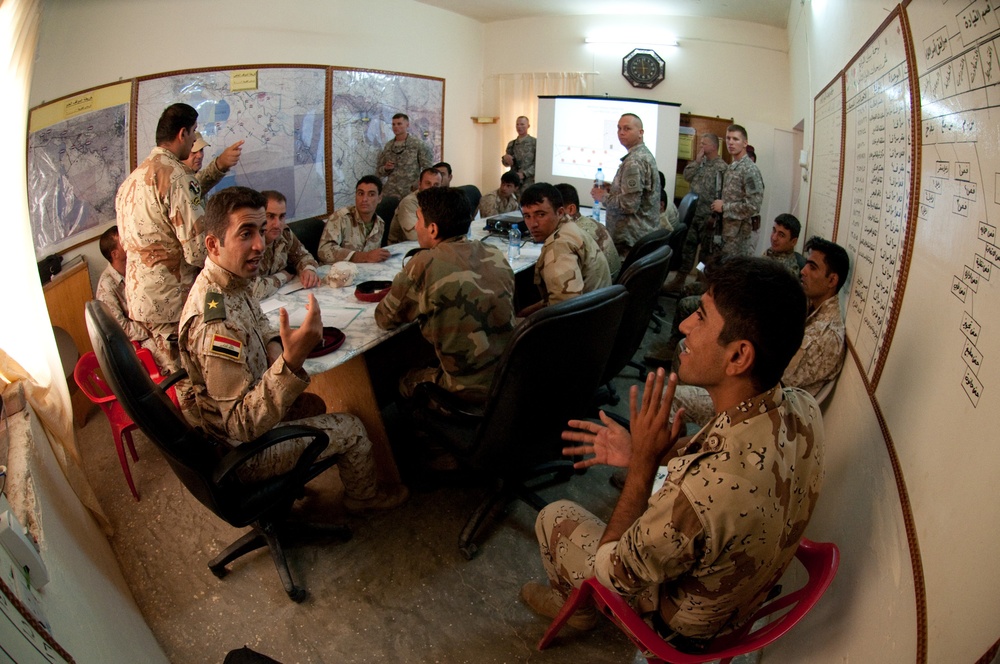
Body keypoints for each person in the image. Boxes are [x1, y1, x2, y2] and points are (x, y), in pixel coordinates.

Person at [522, 256, 823, 647]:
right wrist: (641, 452)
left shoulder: (700, 497)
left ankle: (578, 613)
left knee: (554, 516)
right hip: (744, 596)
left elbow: (610, 571)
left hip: (683, 630)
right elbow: (712, 456)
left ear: (738, 356)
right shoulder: (801, 407)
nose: (683, 324)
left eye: (700, 316)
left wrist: (643, 465)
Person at [177, 186, 407, 510]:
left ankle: (292, 479)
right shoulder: (215, 322)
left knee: (312, 402)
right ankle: (363, 498)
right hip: (242, 451)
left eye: (261, 230)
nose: (260, 244)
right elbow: (241, 425)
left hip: (251, 406)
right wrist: (292, 358)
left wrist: (276, 344)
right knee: (353, 427)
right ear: (214, 244)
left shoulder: (228, 284)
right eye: (246, 233)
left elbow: (260, 324)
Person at [673, 237, 849, 427]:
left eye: (813, 267)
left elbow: (765, 379)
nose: (803, 271)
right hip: (749, 383)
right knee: (685, 348)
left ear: (832, 280)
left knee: (669, 398)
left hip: (757, 408)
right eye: (806, 264)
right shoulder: (810, 305)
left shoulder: (826, 337)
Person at [375, 187, 516, 403]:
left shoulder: (423, 264)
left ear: (432, 229)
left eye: (418, 220)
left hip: (464, 390)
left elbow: (385, 319)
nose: (414, 226)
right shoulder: (493, 253)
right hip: (508, 377)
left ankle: (415, 431)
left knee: (399, 378)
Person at [115, 103, 205, 372]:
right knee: (190, 376)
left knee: (174, 370)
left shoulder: (131, 181)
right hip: (173, 299)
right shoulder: (176, 176)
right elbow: (198, 250)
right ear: (182, 134)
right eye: (194, 132)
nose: (193, 140)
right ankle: (195, 416)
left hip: (143, 299)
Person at [519, 183, 611, 317]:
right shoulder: (570, 227)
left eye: (541, 214)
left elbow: (565, 314)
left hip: (586, 326)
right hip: (600, 314)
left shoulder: (559, 246)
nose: (533, 224)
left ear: (560, 212)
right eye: (527, 216)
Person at [591, 113, 659, 258]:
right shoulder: (643, 155)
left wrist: (603, 196)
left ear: (640, 132)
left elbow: (629, 205)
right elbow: (638, 192)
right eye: (619, 128)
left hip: (629, 240)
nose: (621, 132)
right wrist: (612, 188)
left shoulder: (634, 161)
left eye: (627, 128)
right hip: (638, 234)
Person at [668, 133, 729, 291]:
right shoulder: (700, 164)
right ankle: (680, 279)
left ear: (714, 147)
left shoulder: (722, 168)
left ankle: (701, 281)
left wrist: (716, 217)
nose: (701, 146)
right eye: (701, 143)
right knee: (688, 248)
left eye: (704, 144)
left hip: (710, 218)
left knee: (706, 254)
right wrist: (696, 161)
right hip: (694, 215)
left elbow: (724, 194)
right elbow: (687, 176)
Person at [249, 190, 320, 298]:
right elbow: (255, 290)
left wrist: (308, 269)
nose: (277, 224)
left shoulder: (284, 234)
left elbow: (303, 256)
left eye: (281, 216)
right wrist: (285, 275)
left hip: (280, 298)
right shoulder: (249, 243)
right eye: (270, 216)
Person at [710, 125, 764, 257]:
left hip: (739, 237)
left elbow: (753, 205)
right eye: (728, 138)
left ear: (745, 143)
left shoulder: (749, 170)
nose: (731, 142)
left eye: (736, 139)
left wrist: (725, 207)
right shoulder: (733, 166)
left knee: (733, 274)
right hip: (727, 232)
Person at [95, 226, 152, 347]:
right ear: (115, 254)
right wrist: (153, 328)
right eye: (124, 241)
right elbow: (123, 330)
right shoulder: (107, 286)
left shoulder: (136, 266)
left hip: (153, 324)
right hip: (139, 342)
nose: (129, 242)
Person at [554, 182, 621, 280]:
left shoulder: (571, 235)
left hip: (598, 291)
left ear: (571, 209)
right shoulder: (593, 222)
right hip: (613, 288)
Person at [317, 175, 390, 263]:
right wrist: (365, 256)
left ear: (379, 198)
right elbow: (324, 251)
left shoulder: (380, 223)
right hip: (337, 273)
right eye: (360, 193)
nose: (364, 199)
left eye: (371, 194)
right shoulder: (340, 217)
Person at [376, 113, 434, 200]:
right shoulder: (388, 146)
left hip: (410, 193)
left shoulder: (418, 144)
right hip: (390, 194)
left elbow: (428, 170)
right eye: (393, 124)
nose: (396, 127)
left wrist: (418, 186)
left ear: (407, 125)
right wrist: (386, 168)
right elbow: (379, 171)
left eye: (399, 124)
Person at [387, 167, 442, 244]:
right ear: (419, 184)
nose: (432, 188)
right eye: (428, 183)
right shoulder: (409, 203)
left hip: (430, 244)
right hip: (403, 248)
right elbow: (415, 236)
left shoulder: (440, 201)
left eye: (436, 185)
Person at [180, 131, 244, 196]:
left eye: (201, 150)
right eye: (194, 152)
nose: (200, 155)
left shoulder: (193, 174)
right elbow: (191, 188)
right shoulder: (177, 181)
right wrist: (219, 164)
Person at [502, 116, 536, 194]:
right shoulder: (512, 144)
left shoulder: (534, 143)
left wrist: (524, 174)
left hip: (528, 183)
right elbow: (506, 164)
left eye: (522, 124)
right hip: (513, 183)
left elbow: (538, 164)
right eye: (517, 124)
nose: (519, 127)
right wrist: (505, 159)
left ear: (528, 126)